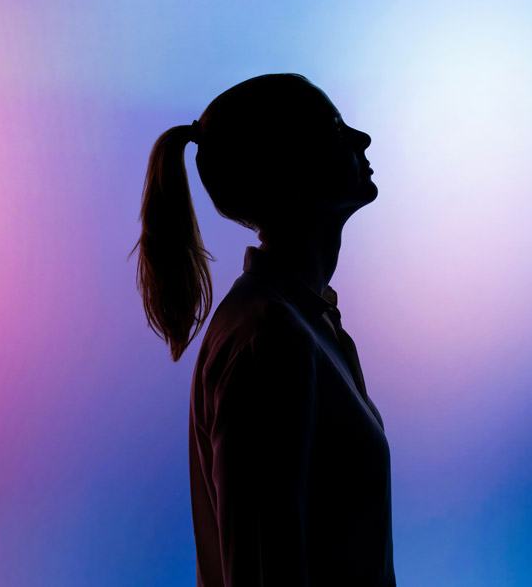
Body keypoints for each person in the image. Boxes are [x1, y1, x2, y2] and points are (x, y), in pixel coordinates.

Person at [133, 74, 396, 586]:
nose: (360, 140)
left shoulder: (303, 325)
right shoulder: (269, 340)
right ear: (291, 170)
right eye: (335, 129)